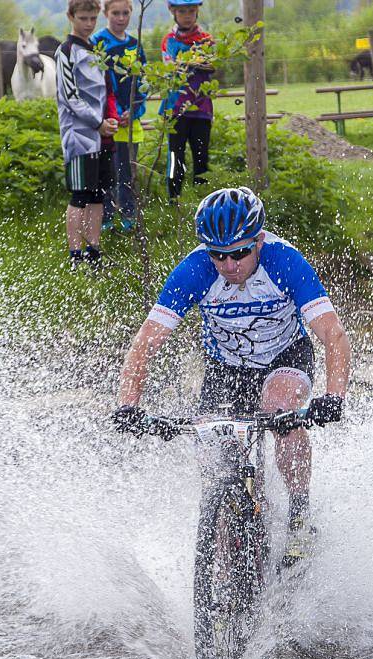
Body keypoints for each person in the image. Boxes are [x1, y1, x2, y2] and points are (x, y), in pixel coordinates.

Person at [113, 187, 351, 566]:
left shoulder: (283, 261)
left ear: (258, 240)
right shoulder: (195, 270)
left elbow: (332, 334)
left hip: (284, 356)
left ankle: (300, 513)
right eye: (219, 255)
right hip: (226, 367)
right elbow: (146, 342)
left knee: (279, 411)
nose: (229, 265)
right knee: (213, 453)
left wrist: (333, 395)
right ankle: (227, 539)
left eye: (240, 252)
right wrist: (128, 404)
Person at [55, 0, 118, 272]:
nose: (89, 24)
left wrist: (113, 117)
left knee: (97, 196)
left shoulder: (95, 49)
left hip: (102, 134)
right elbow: (71, 98)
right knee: (79, 195)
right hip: (79, 136)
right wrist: (97, 123)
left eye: (93, 18)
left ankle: (94, 252)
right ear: (71, 17)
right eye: (83, 18)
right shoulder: (66, 51)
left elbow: (104, 90)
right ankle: (74, 255)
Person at [92, 0, 147, 233]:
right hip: (105, 120)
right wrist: (105, 115)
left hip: (128, 119)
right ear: (106, 13)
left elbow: (144, 83)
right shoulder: (97, 43)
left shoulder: (135, 45)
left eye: (125, 13)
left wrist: (133, 110)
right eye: (116, 13)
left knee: (126, 169)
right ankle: (104, 216)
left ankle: (128, 215)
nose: (121, 18)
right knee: (106, 170)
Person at [159, 0, 213, 202]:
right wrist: (196, 61)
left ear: (197, 11)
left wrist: (188, 62)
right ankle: (174, 200)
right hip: (176, 109)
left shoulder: (206, 39)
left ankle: (204, 200)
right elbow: (172, 69)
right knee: (175, 156)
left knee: (201, 157)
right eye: (182, 11)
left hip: (201, 108)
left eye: (191, 11)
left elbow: (212, 65)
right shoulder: (169, 40)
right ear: (173, 11)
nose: (187, 15)